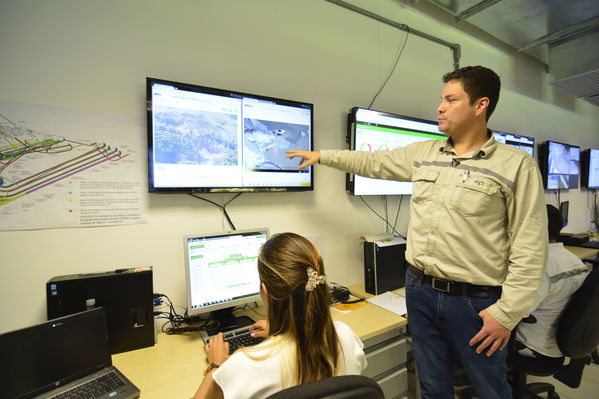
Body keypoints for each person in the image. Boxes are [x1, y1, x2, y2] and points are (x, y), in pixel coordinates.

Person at [286, 65, 548, 399]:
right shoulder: (425, 153)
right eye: (441, 99)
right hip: (420, 290)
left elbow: (531, 246)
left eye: (450, 100)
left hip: (476, 302)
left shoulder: (516, 165)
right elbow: (372, 163)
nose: (440, 107)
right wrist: (322, 156)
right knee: (432, 386)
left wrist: (507, 314)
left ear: (480, 105)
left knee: (490, 389)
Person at [193, 232, 366, 399]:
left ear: (265, 292)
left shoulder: (244, 365)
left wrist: (215, 366)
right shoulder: (345, 335)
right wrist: (284, 331)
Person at [515, 204, 590, 358]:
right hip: (563, 341)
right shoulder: (574, 260)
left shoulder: (538, 267)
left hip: (533, 345)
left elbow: (517, 311)